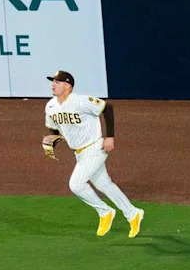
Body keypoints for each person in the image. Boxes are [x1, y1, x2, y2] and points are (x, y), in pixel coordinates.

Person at [42, 70, 143, 238]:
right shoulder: (51, 106)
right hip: (79, 153)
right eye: (53, 81)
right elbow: (53, 127)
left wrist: (109, 136)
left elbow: (107, 108)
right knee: (104, 184)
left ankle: (104, 212)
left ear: (68, 86)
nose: (53, 85)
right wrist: (51, 141)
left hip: (95, 148)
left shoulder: (81, 101)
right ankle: (133, 214)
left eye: (57, 82)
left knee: (76, 184)